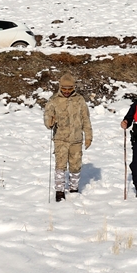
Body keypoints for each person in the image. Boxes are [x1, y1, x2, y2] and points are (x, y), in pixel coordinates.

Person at [43, 72, 93, 201]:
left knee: (75, 165)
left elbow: (85, 119)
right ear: (60, 87)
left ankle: (74, 188)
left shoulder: (79, 100)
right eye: (64, 89)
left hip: (76, 139)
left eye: (69, 89)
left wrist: (88, 136)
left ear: (73, 88)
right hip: (61, 139)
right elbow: (47, 118)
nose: (66, 91)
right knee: (60, 165)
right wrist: (50, 121)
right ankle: (59, 191)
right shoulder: (54, 100)